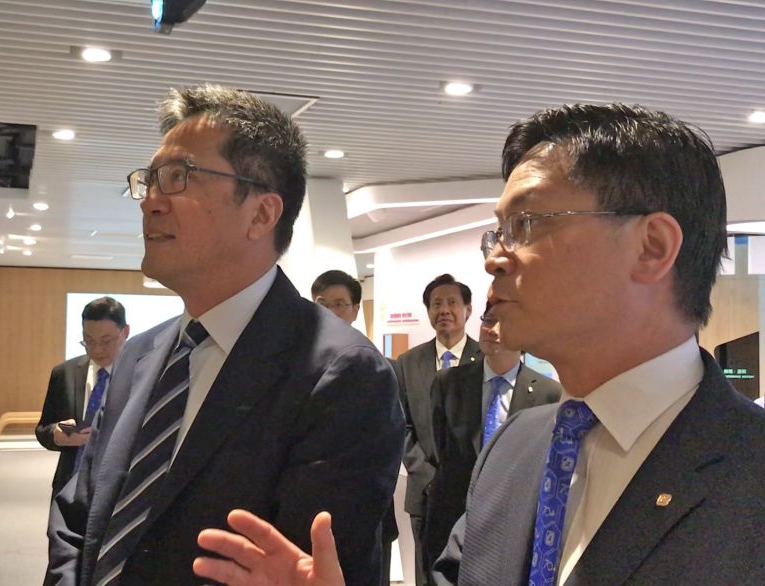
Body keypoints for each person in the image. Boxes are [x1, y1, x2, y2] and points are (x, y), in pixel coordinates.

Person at [191, 103, 765, 586]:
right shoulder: (517, 446)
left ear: (652, 246)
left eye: (530, 224)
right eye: (499, 231)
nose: (494, 257)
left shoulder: (746, 467)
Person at [46, 84, 404, 586]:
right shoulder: (140, 355)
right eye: (149, 181)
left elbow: (304, 566)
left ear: (261, 213)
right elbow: (77, 516)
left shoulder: (339, 372)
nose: (150, 202)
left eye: (177, 178)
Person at [420, 301, 561, 571]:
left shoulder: (548, 393)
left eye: (502, 323)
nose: (491, 330)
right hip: (451, 512)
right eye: (487, 320)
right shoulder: (448, 382)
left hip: (513, 515)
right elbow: (440, 447)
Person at [311, 269, 397, 586]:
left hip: (361, 519)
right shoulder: (293, 363)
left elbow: (384, 450)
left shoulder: (373, 365)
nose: (331, 312)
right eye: (322, 303)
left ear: (356, 310)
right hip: (306, 516)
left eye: (340, 304)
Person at [392, 273, 479, 585]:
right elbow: (400, 425)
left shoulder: (486, 359)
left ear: (468, 310)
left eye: (452, 302)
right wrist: (426, 475)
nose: (444, 309)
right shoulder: (407, 362)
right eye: (436, 303)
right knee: (426, 573)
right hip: (425, 492)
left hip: (475, 491)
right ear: (428, 311)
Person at [35, 297, 129, 498]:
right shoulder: (65, 372)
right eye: (89, 341)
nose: (97, 350)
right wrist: (57, 435)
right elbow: (43, 428)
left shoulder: (141, 374)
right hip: (69, 486)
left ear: (125, 332)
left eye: (106, 341)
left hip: (120, 490)